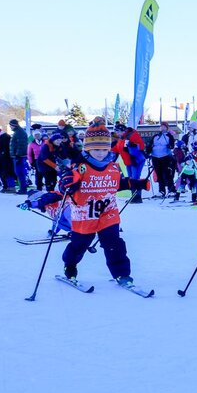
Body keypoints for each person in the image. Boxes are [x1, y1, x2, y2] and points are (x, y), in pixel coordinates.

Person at [57, 123, 149, 286]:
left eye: (104, 149)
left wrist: (137, 183)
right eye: (96, 149)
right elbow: (65, 185)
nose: (101, 153)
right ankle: (70, 266)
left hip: (108, 213)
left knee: (114, 244)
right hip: (85, 215)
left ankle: (121, 274)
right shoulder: (80, 167)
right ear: (87, 149)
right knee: (79, 245)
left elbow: (117, 183)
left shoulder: (113, 167)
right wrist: (67, 184)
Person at [147, 122, 178, 198]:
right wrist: (148, 151)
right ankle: (161, 190)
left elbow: (172, 145)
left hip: (165, 156)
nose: (162, 128)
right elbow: (150, 145)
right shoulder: (156, 136)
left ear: (167, 128)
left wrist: (170, 145)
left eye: (164, 126)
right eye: (161, 126)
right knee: (159, 174)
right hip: (155, 157)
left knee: (168, 174)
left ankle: (171, 190)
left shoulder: (169, 136)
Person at [9, 119, 30, 194]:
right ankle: (23, 188)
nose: (10, 127)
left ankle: (23, 189)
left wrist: (17, 155)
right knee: (19, 172)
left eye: (10, 125)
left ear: (14, 125)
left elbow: (21, 145)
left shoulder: (19, 132)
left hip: (19, 156)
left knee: (19, 172)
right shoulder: (17, 132)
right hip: (18, 156)